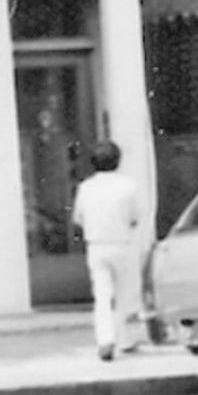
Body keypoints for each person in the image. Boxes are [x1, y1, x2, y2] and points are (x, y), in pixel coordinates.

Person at [71, 140, 145, 360]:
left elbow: (78, 218)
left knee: (102, 295)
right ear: (118, 161)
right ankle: (123, 339)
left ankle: (105, 340)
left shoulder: (86, 187)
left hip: (96, 245)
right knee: (123, 293)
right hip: (121, 243)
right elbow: (135, 218)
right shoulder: (128, 186)